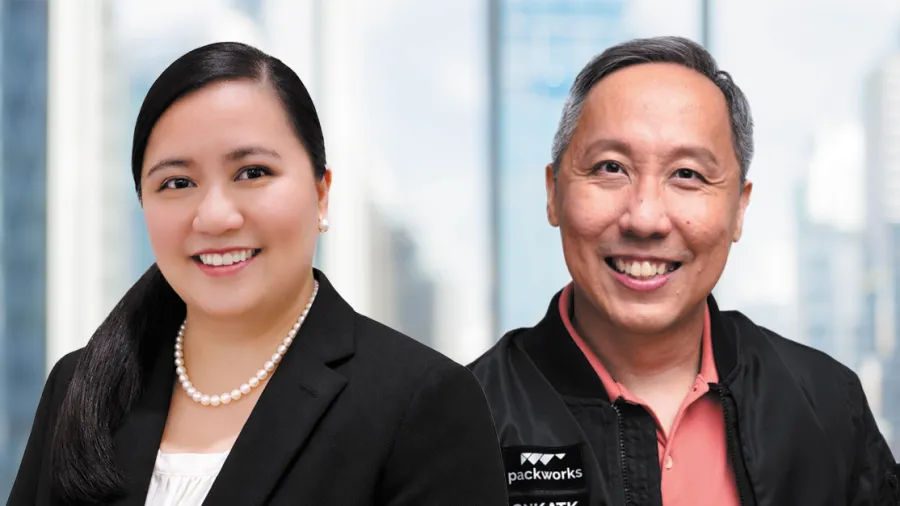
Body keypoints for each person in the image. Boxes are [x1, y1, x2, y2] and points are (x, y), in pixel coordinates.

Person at [8, 41, 507, 506]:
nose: (215, 216)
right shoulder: (81, 387)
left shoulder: (422, 403)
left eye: (252, 173)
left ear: (321, 194)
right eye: (177, 182)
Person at [469, 36, 900, 506]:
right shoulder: (461, 418)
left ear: (739, 208)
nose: (645, 218)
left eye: (687, 174)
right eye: (611, 167)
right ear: (553, 192)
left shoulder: (828, 404)